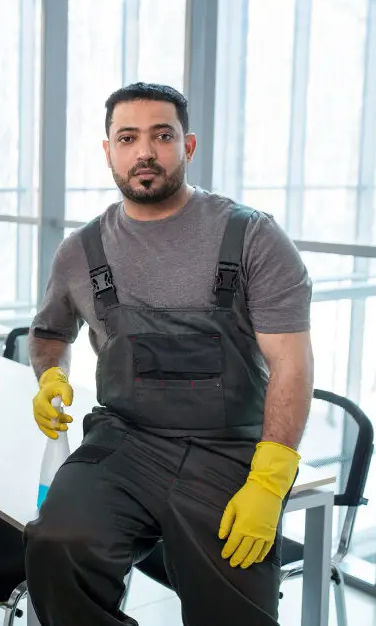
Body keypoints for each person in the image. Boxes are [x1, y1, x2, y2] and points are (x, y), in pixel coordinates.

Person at [23, 82, 314, 625]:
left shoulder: (251, 237)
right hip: (125, 440)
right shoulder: (81, 251)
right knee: (57, 544)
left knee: (234, 609)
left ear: (189, 146)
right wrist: (49, 377)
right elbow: (49, 333)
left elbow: (292, 365)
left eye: (163, 135)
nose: (145, 152)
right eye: (127, 137)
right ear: (107, 150)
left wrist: (270, 480)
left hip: (228, 452)